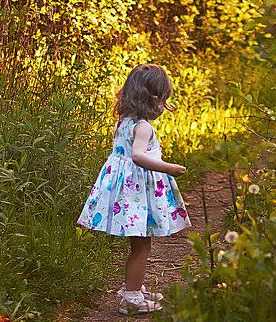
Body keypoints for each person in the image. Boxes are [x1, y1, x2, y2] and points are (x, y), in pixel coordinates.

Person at [77, 64, 191, 314]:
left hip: (128, 192)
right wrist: (167, 167)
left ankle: (134, 288)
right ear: (152, 100)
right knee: (142, 246)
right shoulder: (143, 127)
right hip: (137, 194)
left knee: (139, 244)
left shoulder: (124, 123)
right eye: (163, 100)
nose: (164, 106)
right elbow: (138, 157)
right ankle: (131, 299)